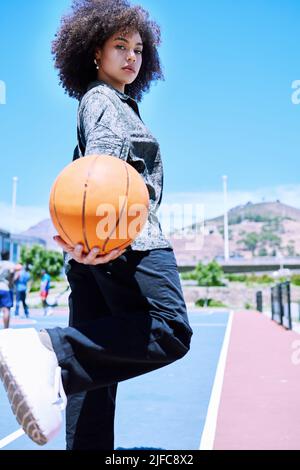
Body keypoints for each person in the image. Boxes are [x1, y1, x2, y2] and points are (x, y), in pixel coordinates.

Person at [0, 0, 193, 450]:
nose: (132, 57)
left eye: (139, 49)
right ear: (93, 52)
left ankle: (64, 384)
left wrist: (85, 244)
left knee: (94, 386)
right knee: (170, 329)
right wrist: (103, 238)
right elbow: (101, 167)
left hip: (96, 248)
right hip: (128, 240)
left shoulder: (112, 101)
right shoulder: (104, 100)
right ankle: (48, 350)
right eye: (120, 45)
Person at [0, 251, 21, 328]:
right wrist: (12, 280)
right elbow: (18, 268)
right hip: (5, 288)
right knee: (6, 310)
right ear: (8, 255)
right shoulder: (10, 264)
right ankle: (6, 328)